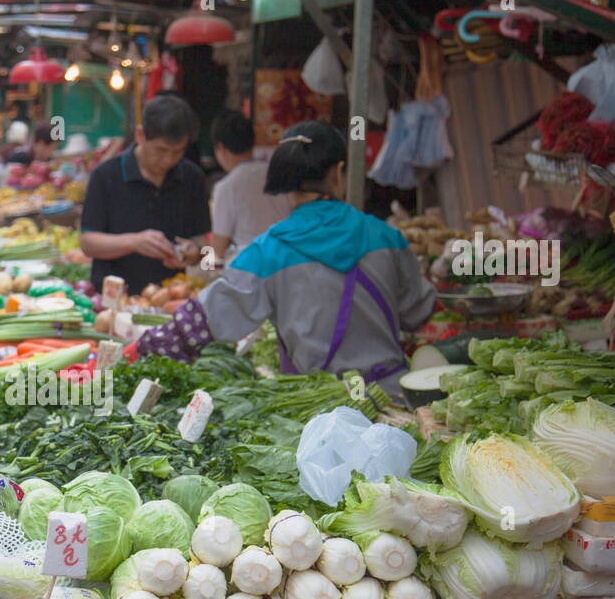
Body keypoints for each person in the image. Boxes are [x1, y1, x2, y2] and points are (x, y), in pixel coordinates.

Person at [128, 121, 435, 400]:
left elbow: (204, 321)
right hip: (393, 399)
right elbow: (417, 311)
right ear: (338, 171)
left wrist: (141, 350)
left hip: (319, 408)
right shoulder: (387, 237)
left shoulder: (268, 251)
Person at [79, 95, 211, 295]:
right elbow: (88, 243)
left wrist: (194, 253)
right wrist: (133, 242)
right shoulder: (106, 175)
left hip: (170, 298)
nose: (168, 160)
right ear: (140, 135)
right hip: (114, 299)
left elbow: (203, 243)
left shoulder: (192, 177)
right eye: (160, 150)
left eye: (177, 152)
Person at [209, 109, 290, 263]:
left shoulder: (226, 187)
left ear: (220, 148)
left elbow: (218, 250)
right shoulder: (279, 175)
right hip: (285, 263)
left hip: (249, 271)